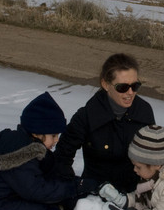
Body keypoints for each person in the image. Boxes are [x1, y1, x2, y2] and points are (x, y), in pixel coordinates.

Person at [54, 53, 155, 193]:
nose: (130, 92)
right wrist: (77, 187)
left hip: (134, 194)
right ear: (105, 84)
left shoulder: (144, 112)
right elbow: (62, 157)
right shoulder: (86, 116)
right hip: (96, 197)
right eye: (122, 87)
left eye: (135, 86)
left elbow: (153, 157)